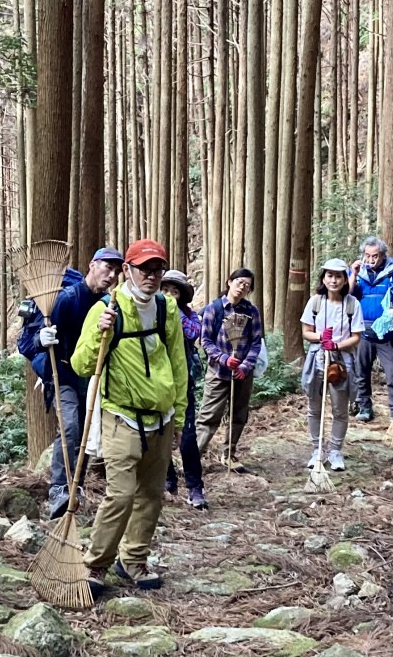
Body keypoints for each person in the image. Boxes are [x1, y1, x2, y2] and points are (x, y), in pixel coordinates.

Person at [71, 239, 187, 594]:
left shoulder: (167, 308)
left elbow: (178, 364)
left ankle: (133, 561)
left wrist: (179, 417)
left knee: (151, 494)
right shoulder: (108, 309)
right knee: (120, 495)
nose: (151, 276)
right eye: (144, 269)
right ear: (128, 271)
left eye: (157, 270)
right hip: (121, 415)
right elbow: (81, 364)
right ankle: (95, 566)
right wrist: (98, 333)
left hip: (162, 417)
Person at [18, 247, 124, 518]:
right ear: (92, 265)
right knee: (71, 426)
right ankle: (58, 489)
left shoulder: (108, 303)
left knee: (88, 432)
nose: (111, 275)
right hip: (61, 374)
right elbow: (26, 343)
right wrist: (41, 341)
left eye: (116, 270)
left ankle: (75, 486)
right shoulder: (66, 299)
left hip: (90, 376)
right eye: (106, 268)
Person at [300, 259, 364, 471]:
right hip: (317, 359)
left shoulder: (353, 304)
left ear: (345, 279)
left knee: (339, 408)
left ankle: (335, 451)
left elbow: (356, 336)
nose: (334, 280)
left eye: (338, 276)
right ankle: (317, 449)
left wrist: (336, 344)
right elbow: (306, 332)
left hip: (342, 362)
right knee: (314, 406)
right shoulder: (315, 302)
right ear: (323, 278)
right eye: (329, 275)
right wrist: (321, 337)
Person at [196, 268, 264, 468]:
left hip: (243, 373)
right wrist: (223, 358)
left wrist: (246, 365)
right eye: (240, 282)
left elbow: (256, 341)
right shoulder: (213, 309)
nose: (242, 287)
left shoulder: (251, 312)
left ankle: (229, 454)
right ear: (229, 282)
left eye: (247, 285)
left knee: (238, 414)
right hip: (218, 371)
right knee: (209, 416)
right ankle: (193, 458)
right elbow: (205, 340)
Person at [348, 236, 393, 422]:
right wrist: (353, 273)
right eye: (367, 255)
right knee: (361, 371)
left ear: (382, 255)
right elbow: (348, 296)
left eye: (375, 256)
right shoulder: (358, 274)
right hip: (363, 331)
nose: (371, 260)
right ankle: (364, 407)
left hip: (387, 331)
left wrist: (392, 311)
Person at [160, 269, 206, 509]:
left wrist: (173, 312)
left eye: (174, 291)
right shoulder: (151, 313)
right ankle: (168, 478)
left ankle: (195, 487)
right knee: (159, 435)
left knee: (187, 436)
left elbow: (192, 333)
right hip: (156, 383)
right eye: (164, 290)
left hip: (182, 381)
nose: (169, 295)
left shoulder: (190, 316)